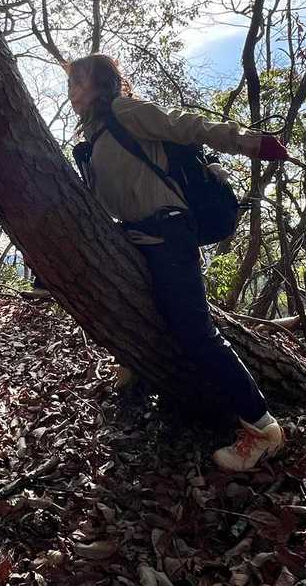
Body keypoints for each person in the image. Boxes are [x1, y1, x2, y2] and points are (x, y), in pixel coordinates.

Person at [66, 54, 290, 472]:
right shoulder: (93, 139)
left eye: (79, 83)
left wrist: (249, 142)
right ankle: (135, 365)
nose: (72, 93)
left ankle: (262, 429)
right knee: (147, 309)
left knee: (196, 333)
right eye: (70, 85)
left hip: (167, 234)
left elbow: (187, 126)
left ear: (100, 85)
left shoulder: (124, 111)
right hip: (137, 237)